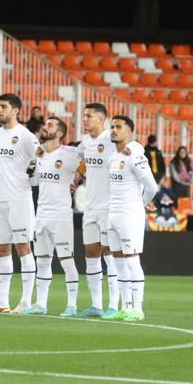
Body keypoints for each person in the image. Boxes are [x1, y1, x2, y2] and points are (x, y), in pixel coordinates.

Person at [0, 93, 40, 314]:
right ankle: (2, 302)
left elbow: (39, 160)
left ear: (15, 110)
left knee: (23, 247)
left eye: (4, 107)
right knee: (1, 249)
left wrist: (32, 177)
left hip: (20, 199)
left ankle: (26, 301)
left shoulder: (25, 135)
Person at [23, 117, 81, 316]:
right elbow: (32, 180)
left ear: (59, 134)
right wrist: (32, 161)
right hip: (42, 214)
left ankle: (72, 305)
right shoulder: (39, 154)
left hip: (62, 215)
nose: (44, 127)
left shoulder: (70, 154)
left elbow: (89, 166)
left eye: (50, 125)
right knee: (42, 261)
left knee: (66, 260)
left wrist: (77, 179)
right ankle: (40, 304)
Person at [106, 115, 157, 321]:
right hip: (113, 215)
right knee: (118, 263)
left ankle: (138, 308)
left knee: (132, 261)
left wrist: (141, 202)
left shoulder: (135, 154)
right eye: (112, 127)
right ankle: (125, 307)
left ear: (129, 132)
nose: (113, 130)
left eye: (118, 127)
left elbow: (152, 186)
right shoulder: (113, 156)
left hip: (130, 215)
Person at [77, 102, 118, 318]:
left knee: (110, 254)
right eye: (84, 115)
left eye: (89, 116)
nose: (84, 119)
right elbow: (84, 162)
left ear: (101, 119)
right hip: (90, 207)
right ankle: (95, 305)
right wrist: (77, 177)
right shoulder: (85, 142)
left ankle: (113, 305)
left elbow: (125, 159)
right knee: (91, 252)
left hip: (109, 206)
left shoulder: (111, 141)